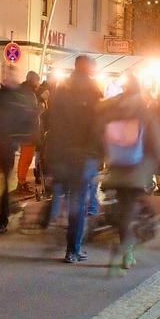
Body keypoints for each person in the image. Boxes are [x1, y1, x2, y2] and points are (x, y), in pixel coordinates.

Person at [98, 75, 160, 270]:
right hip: (137, 169)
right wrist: (153, 162)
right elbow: (157, 143)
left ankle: (123, 242)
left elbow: (101, 132)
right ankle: (127, 251)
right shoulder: (145, 110)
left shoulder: (113, 109)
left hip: (116, 165)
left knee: (123, 205)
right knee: (131, 207)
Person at [46, 56, 103, 263]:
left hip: (62, 153)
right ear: (88, 69)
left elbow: (51, 122)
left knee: (63, 195)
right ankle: (72, 249)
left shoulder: (61, 90)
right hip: (83, 157)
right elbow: (98, 127)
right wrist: (98, 154)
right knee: (78, 202)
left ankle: (58, 231)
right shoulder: (94, 91)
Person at [0, 66, 40, 234]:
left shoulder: (10, 96)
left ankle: (4, 213)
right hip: (3, 144)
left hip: (7, 144)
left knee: (5, 180)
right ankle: (4, 213)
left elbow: (26, 117)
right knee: (4, 180)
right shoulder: (7, 96)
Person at [16, 71, 42, 195]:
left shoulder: (23, 91)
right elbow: (31, 112)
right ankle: (21, 183)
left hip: (23, 129)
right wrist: (41, 105)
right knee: (26, 158)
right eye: (37, 81)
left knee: (24, 157)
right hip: (28, 130)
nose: (39, 83)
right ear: (33, 81)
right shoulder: (28, 93)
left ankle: (21, 181)